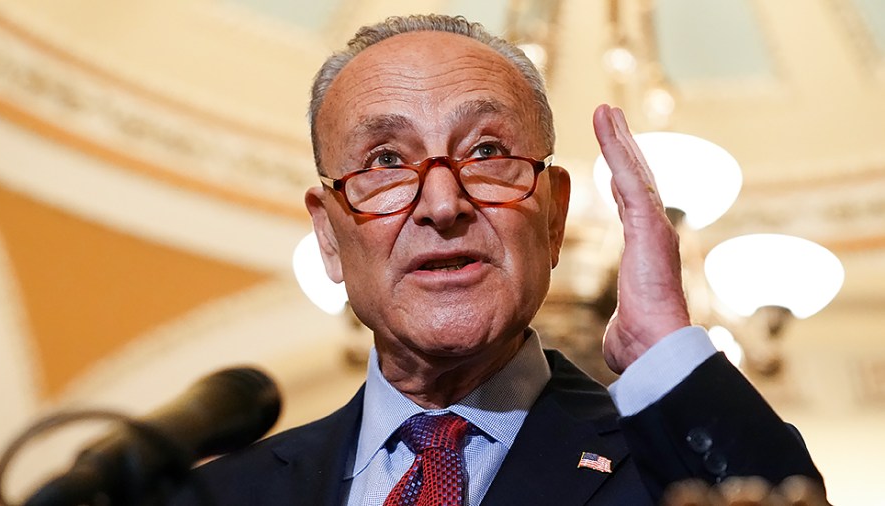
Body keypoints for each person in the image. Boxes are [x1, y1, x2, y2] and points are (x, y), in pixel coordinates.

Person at [172, 14, 825, 506]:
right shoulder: (220, 495)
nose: (442, 203)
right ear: (328, 235)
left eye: (485, 152)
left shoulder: (669, 467)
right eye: (386, 161)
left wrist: (666, 351)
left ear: (553, 216)